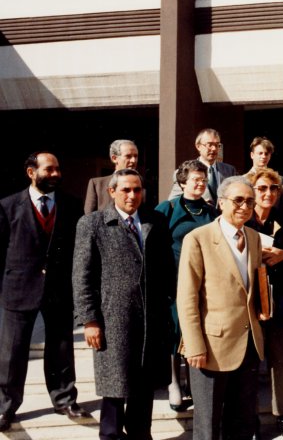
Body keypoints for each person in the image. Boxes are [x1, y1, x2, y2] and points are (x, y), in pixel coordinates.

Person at [72, 169, 175, 440]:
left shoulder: (156, 221)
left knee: (144, 386)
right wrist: (90, 320)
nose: (132, 195)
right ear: (112, 192)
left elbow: (166, 270)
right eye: (126, 190)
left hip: (149, 319)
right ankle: (111, 436)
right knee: (115, 386)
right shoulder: (92, 224)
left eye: (137, 190)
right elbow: (82, 276)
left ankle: (141, 434)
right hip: (113, 319)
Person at [0, 152, 87, 432]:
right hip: (19, 289)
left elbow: (79, 251)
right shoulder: (8, 206)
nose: (56, 174)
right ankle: (5, 406)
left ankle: (64, 399)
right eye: (49, 170)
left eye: (58, 169)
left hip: (59, 289)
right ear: (31, 172)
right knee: (12, 352)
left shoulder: (72, 205)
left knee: (61, 347)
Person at [177, 176, 265, 440]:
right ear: (221, 202)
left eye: (250, 201)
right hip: (211, 347)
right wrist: (194, 344)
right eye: (238, 200)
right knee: (208, 426)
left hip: (248, 344)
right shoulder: (198, 238)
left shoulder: (253, 237)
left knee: (242, 421)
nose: (244, 206)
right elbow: (187, 296)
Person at [155, 160, 216, 412]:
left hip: (204, 282)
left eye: (203, 180)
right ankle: (174, 383)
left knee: (197, 330)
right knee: (175, 331)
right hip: (174, 281)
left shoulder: (212, 212)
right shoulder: (167, 209)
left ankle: (194, 382)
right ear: (182, 183)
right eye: (195, 180)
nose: (200, 184)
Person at [245, 168, 283, 440]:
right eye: (262, 188)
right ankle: (251, 419)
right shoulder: (242, 221)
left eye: (273, 189)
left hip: (279, 303)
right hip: (249, 304)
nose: (268, 194)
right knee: (251, 364)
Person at [168, 128, 237, 207]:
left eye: (217, 145)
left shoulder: (229, 170)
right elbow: (173, 201)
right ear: (198, 146)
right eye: (210, 145)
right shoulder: (185, 171)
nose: (214, 149)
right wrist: (197, 202)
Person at [84, 139, 139, 214]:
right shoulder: (97, 185)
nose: (133, 160)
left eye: (135, 156)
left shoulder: (142, 184)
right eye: (128, 156)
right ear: (114, 158)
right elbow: (88, 219)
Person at [245, 136, 283, 216]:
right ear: (252, 155)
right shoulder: (243, 180)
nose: (263, 156)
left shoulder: (280, 179)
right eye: (260, 153)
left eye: (266, 153)